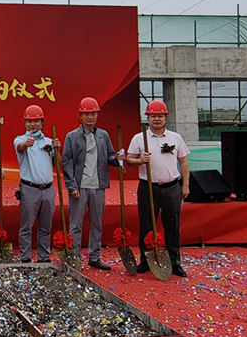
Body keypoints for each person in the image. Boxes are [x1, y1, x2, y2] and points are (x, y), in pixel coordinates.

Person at [125, 100, 191, 278]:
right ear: (147, 118)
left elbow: (184, 162)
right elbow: (129, 159)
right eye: (153, 116)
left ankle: (175, 261)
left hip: (171, 187)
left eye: (160, 116)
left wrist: (185, 185)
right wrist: (140, 160)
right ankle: (145, 260)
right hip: (148, 187)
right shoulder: (140, 138)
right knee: (146, 224)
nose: (156, 119)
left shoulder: (175, 138)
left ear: (165, 118)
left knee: (173, 225)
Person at [61, 97, 123, 271]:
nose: (90, 117)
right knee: (76, 224)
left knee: (97, 223)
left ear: (97, 115)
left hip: (98, 185)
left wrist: (118, 158)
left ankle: (94, 257)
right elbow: (66, 162)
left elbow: (110, 156)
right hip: (80, 186)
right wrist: (72, 186)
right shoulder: (72, 136)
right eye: (86, 114)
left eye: (93, 114)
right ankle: (75, 257)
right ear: (80, 116)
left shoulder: (103, 135)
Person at [13, 104, 60, 263]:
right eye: (29, 121)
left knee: (46, 227)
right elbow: (20, 148)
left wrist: (57, 149)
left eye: (36, 121)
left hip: (48, 189)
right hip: (29, 189)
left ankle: (44, 257)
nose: (33, 124)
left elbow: (58, 164)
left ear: (42, 122)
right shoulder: (20, 139)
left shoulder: (48, 141)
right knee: (26, 226)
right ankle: (25, 258)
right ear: (25, 123)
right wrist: (26, 144)